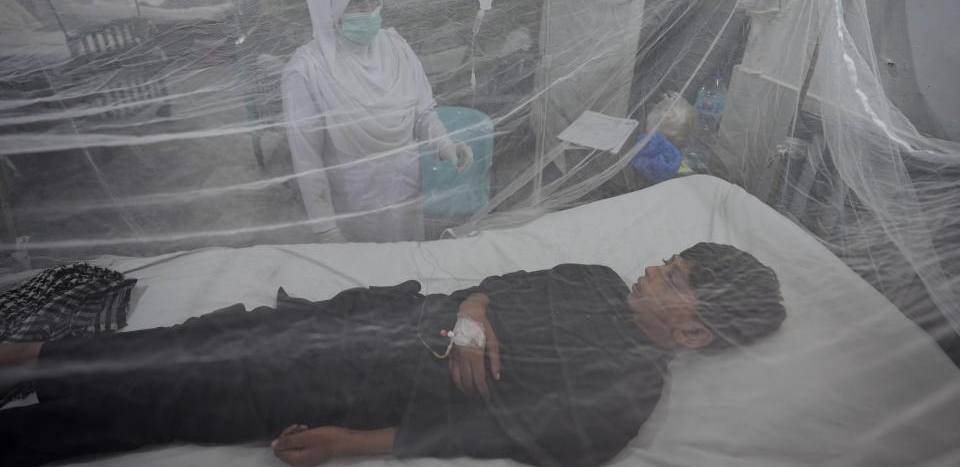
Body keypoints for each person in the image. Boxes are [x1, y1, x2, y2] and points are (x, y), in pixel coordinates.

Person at [0, 242, 786, 467]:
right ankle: (28, 357)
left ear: (693, 334)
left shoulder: (627, 391)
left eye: (675, 278)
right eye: (669, 260)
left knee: (191, 393)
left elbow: (497, 436)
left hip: (371, 383)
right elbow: (496, 281)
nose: (653, 268)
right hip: (384, 318)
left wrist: (352, 443)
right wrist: (473, 312)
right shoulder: (594, 275)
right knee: (202, 338)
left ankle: (28, 425)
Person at [282, 0, 473, 242]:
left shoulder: (396, 47)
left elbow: (423, 114)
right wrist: (326, 228)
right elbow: (307, 160)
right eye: (355, 1)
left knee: (408, 274)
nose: (369, 10)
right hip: (355, 208)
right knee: (368, 280)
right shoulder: (308, 69)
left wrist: (446, 145)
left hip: (407, 192)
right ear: (332, 6)